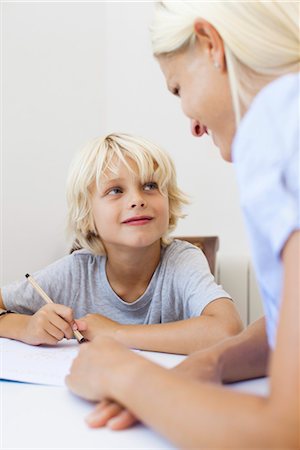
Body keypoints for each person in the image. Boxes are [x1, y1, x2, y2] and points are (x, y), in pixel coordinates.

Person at [66, 2, 300, 448]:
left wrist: (125, 373)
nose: (192, 125)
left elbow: (285, 432)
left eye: (178, 88)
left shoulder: (278, 122)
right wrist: (210, 364)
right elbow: (284, 321)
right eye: (113, 191)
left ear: (211, 45)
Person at [0, 132, 242, 352]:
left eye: (150, 186)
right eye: (115, 190)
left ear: (169, 202)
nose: (137, 200)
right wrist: (25, 326)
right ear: (88, 216)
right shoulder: (75, 271)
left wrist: (115, 332)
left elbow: (226, 331)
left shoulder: (182, 261)